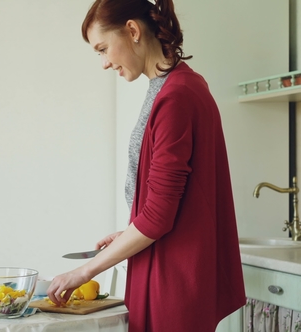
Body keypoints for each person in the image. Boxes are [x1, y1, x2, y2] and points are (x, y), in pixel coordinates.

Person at [46, 0, 246, 331]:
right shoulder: (175, 87)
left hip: (173, 282)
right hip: (168, 271)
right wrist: (130, 232)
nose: (104, 63)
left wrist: (85, 270)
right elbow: (175, 202)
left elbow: (158, 216)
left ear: (133, 31)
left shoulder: (176, 96)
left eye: (103, 48)